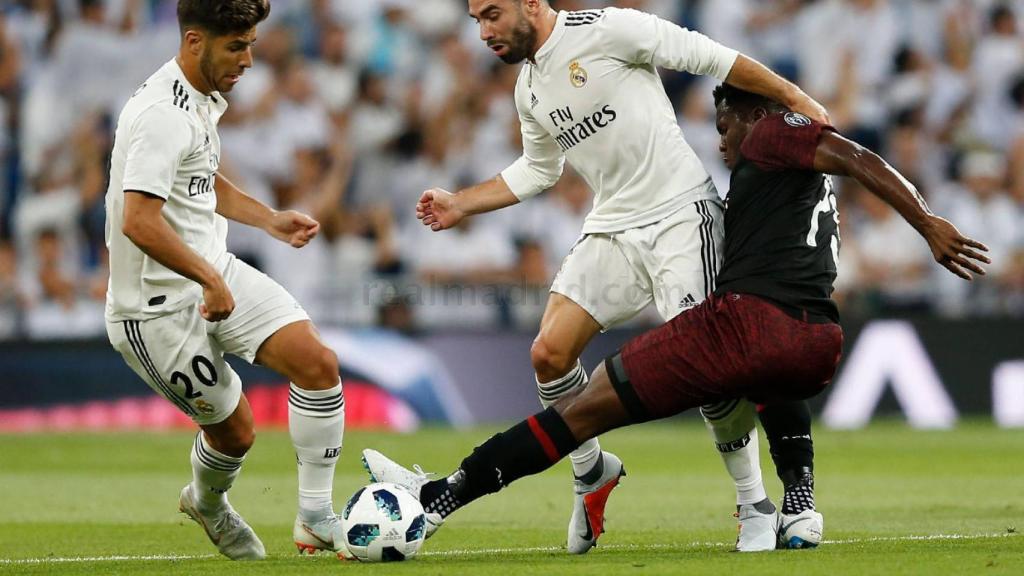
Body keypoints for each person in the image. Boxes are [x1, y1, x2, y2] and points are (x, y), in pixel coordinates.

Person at [364, 83, 989, 550]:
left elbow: (857, 154)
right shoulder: (799, 178)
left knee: (580, 413)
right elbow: (842, 162)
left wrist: (926, 222)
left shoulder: (774, 133)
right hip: (818, 339)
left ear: (752, 113)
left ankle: (443, 496)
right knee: (767, 377)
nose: (720, 141)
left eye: (724, 125)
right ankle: (796, 505)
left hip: (745, 327)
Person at [416, 0, 829, 552]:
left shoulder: (610, 29)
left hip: (681, 216)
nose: (484, 32)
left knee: (712, 366)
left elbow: (714, 57)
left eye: (492, 15)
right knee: (549, 354)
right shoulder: (529, 88)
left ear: (532, 4)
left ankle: (753, 501)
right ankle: (590, 471)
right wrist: (462, 203)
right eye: (476, 21)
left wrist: (796, 99)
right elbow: (541, 168)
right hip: (612, 226)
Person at [104, 0, 346, 560]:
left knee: (318, 364)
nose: (250, 60)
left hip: (216, 272)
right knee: (236, 431)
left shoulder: (200, 98)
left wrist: (269, 219)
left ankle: (314, 517)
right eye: (237, 47)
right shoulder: (160, 114)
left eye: (252, 44)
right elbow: (137, 220)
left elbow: (200, 179)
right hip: (155, 310)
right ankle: (208, 504)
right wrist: (210, 278)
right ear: (195, 42)